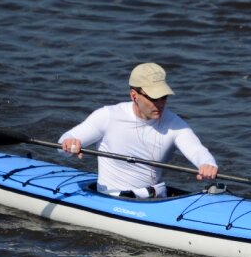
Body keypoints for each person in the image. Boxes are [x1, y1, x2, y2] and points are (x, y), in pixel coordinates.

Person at [58, 63, 218, 198]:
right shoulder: (108, 116)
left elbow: (197, 150)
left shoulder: (174, 123)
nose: (160, 103)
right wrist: (69, 143)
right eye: (154, 98)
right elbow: (65, 142)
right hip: (113, 198)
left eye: (164, 97)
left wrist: (207, 164)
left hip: (156, 198)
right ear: (134, 95)